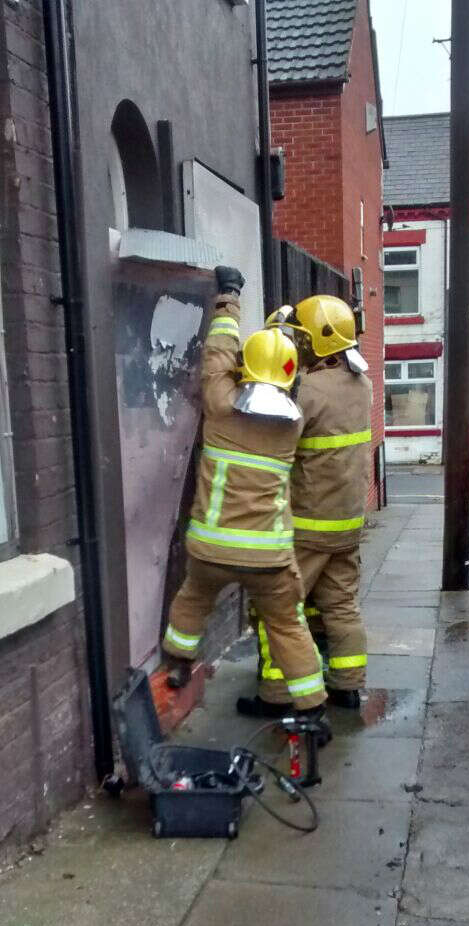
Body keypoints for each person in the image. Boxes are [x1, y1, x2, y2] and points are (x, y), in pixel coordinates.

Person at [162, 266, 328, 726]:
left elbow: (219, 351)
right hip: (269, 558)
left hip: (211, 547)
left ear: (244, 369)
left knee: (193, 600)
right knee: (287, 626)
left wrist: (230, 296)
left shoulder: (220, 406)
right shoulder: (292, 425)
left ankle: (177, 665)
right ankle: (313, 709)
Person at [237, 295, 372, 717]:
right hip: (347, 523)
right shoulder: (361, 384)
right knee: (341, 605)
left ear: (318, 341)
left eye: (302, 336)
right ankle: (347, 686)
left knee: (278, 608)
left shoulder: (308, 391)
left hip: (309, 524)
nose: (299, 343)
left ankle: (276, 695)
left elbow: (277, 443)